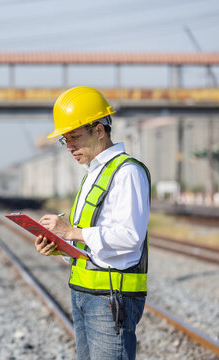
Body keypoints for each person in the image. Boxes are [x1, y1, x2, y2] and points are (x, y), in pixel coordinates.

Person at [34, 86, 150, 360]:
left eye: (74, 136)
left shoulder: (127, 172)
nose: (70, 146)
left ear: (99, 130)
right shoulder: (92, 176)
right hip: (85, 294)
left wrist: (71, 231)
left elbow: (130, 236)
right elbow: (92, 243)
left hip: (112, 297)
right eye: (65, 140)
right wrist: (61, 246)